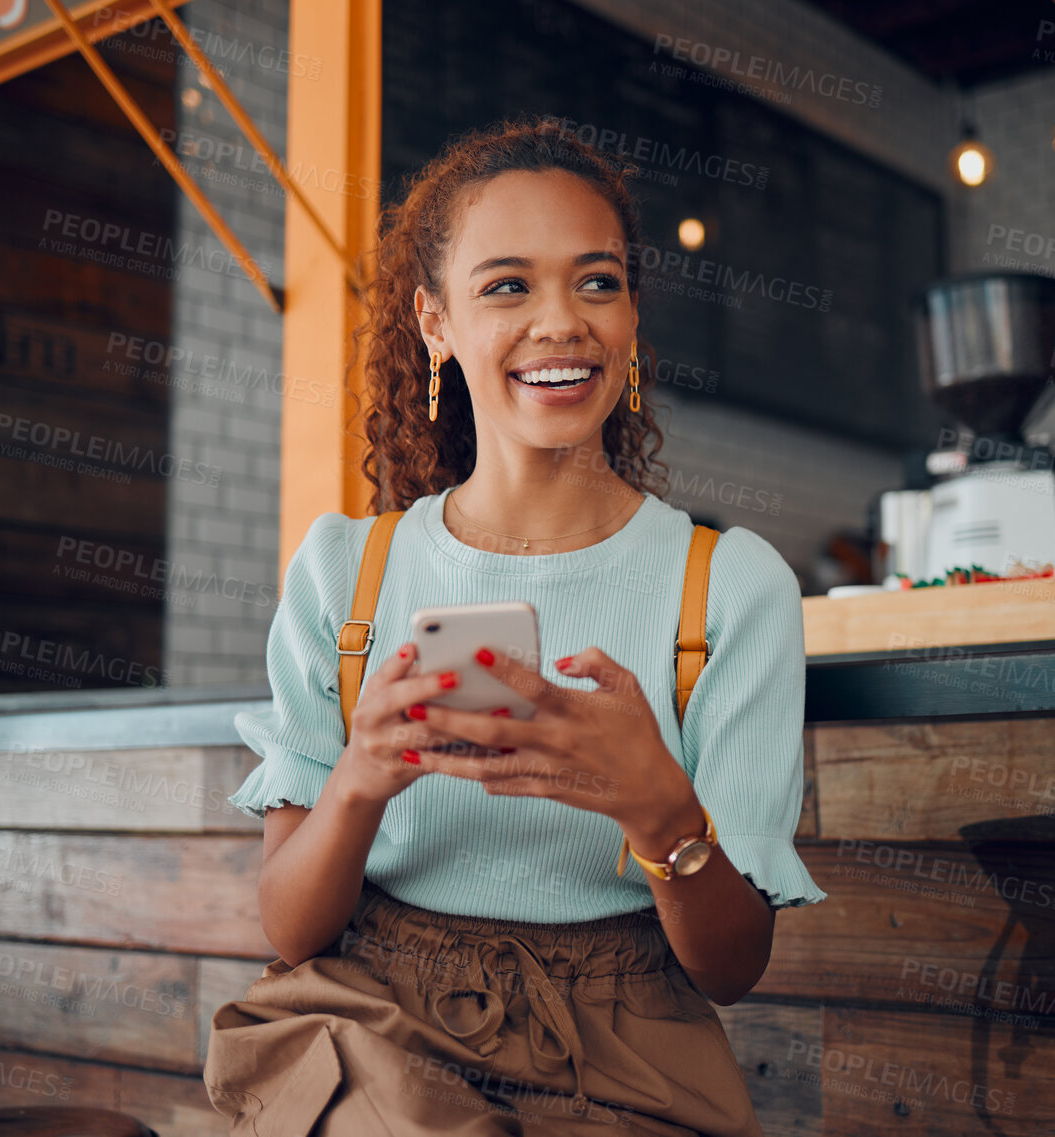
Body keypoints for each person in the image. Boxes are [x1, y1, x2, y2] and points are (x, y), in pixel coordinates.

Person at [203, 115, 825, 1137]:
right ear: (435, 322)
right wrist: (360, 778)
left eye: (597, 281)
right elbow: (291, 925)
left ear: (632, 315)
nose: (562, 322)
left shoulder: (729, 588)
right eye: (507, 286)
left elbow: (730, 971)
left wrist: (662, 815)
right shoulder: (342, 574)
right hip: (376, 1034)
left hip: (630, 1060)